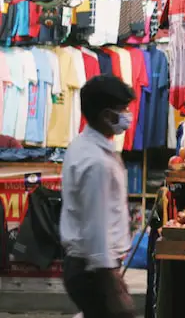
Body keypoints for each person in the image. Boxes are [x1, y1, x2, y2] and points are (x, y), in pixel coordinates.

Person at [60, 75, 137, 318]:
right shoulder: (96, 162)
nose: (127, 115)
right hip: (93, 270)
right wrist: (111, 279)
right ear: (106, 115)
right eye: (122, 110)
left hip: (88, 266)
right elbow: (96, 225)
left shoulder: (84, 146)